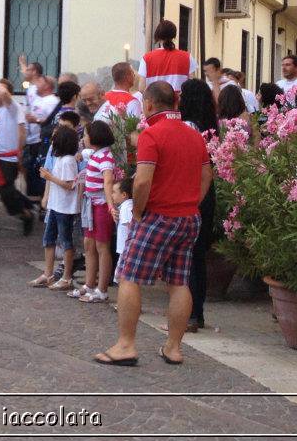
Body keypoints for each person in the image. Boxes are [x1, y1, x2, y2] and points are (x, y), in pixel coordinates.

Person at [95, 81, 212, 366]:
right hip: (188, 217)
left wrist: (137, 211)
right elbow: (206, 176)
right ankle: (173, 348)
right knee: (178, 282)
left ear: (148, 104)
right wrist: (192, 202)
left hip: (158, 215)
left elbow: (144, 179)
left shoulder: (152, 135)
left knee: (129, 276)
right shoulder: (194, 135)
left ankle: (126, 345)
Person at [178, 78, 218, 332]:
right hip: (207, 191)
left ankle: (189, 314)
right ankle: (197, 312)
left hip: (190, 190)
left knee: (187, 256)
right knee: (198, 255)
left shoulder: (187, 127)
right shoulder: (211, 127)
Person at [68, 120, 116, 303]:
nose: (83, 138)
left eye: (86, 135)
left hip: (101, 205)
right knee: (89, 243)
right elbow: (84, 153)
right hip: (91, 204)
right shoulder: (95, 154)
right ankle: (89, 284)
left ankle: (102, 289)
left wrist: (111, 205)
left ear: (94, 137)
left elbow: (108, 182)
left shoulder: (105, 158)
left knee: (102, 246)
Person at [32, 126, 80, 290]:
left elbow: (69, 185)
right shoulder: (60, 159)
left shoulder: (68, 160)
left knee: (66, 241)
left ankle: (66, 277)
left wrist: (50, 177)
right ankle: (48, 273)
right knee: (49, 239)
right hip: (56, 204)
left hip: (64, 207)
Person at [0, 73, 32, 235]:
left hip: (7, 159)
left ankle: (26, 214)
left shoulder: (12, 108)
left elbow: (4, 94)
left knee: (6, 193)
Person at [23, 74, 60, 203]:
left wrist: (36, 120)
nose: (36, 84)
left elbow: (52, 122)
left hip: (41, 142)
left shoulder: (52, 101)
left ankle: (42, 203)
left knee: (39, 172)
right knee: (31, 172)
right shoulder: (40, 99)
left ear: (47, 86)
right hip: (31, 141)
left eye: (39, 82)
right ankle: (36, 201)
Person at [139, 20, 198, 93]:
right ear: (174, 36)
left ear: (158, 36)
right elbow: (193, 85)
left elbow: (141, 88)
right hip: (179, 103)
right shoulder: (187, 57)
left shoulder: (146, 58)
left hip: (156, 102)